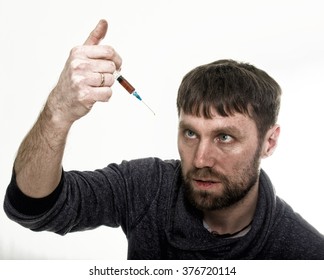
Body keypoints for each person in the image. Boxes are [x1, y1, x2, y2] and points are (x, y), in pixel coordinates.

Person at [3, 19, 324, 260]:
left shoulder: (306, 254)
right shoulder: (148, 187)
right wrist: (59, 111)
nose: (200, 159)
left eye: (224, 137)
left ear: (269, 142)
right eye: (190, 133)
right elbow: (33, 208)